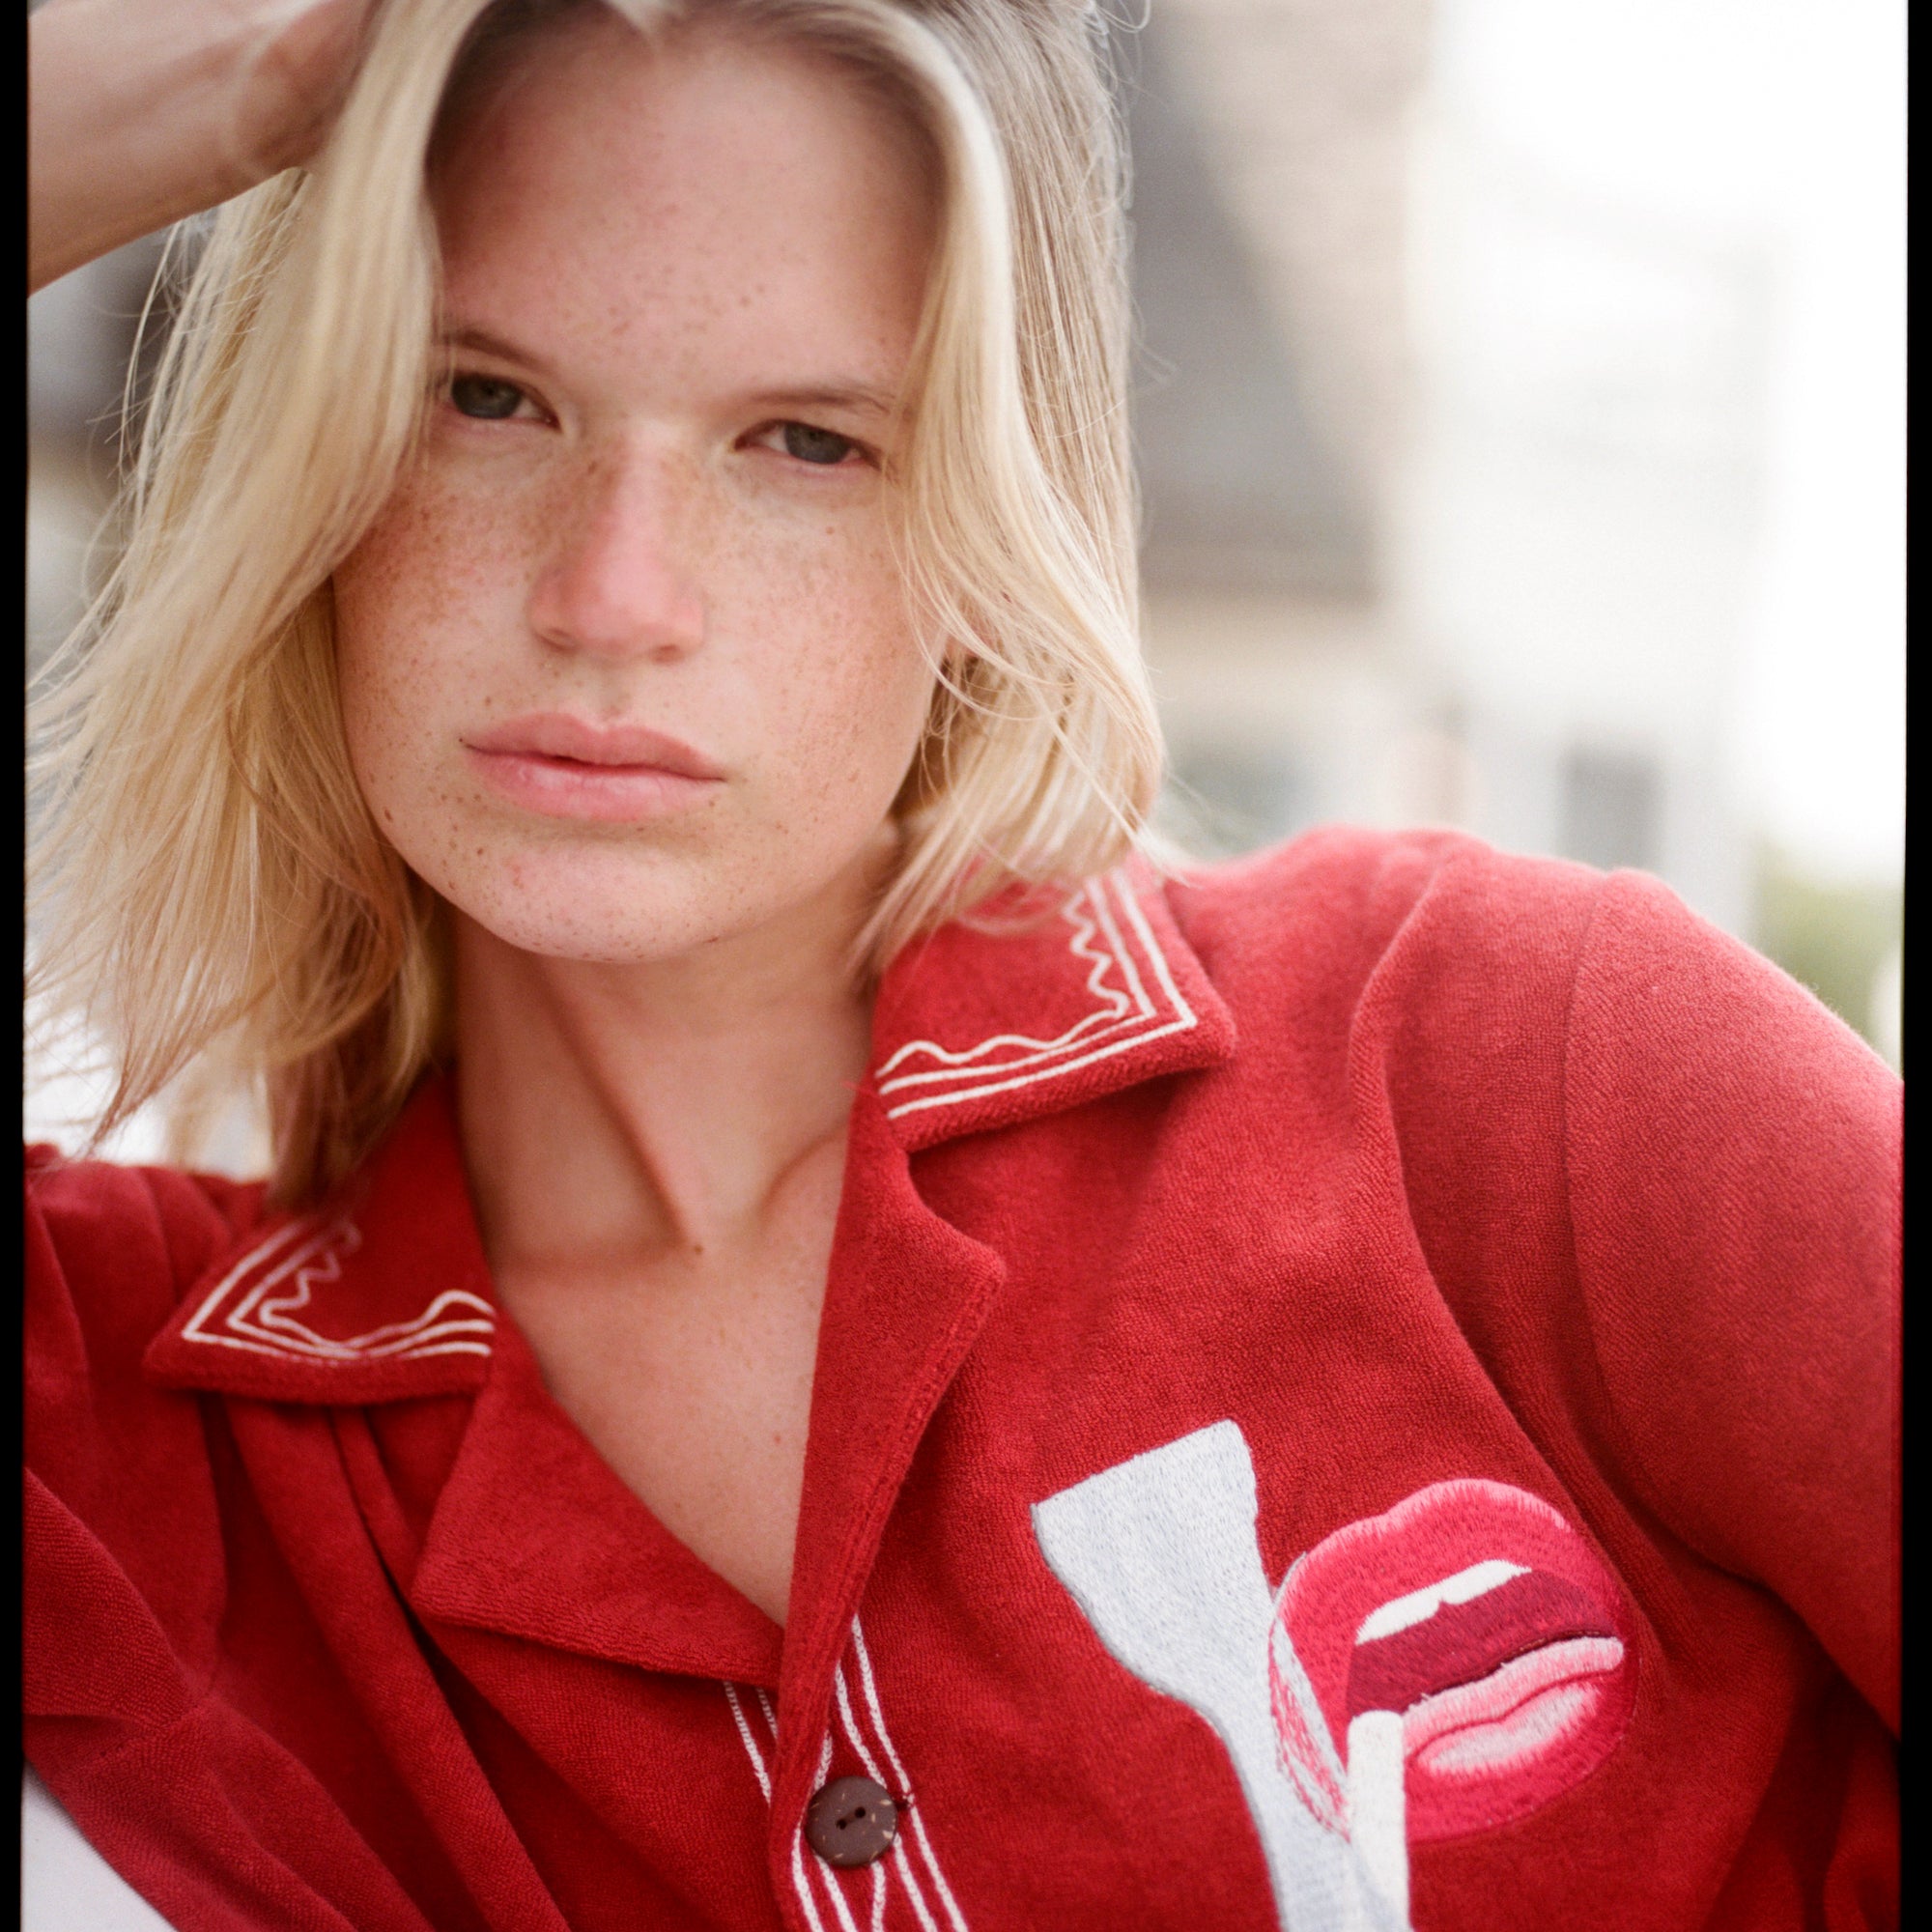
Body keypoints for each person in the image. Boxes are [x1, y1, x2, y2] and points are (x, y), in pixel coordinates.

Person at [24, 1, 1899, 1928]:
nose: (610, 597)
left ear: (990, 511)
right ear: (306, 434)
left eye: (804, 441)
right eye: (483, 395)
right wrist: (224, 88)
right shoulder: (144, 1433)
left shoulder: (1514, 1071)